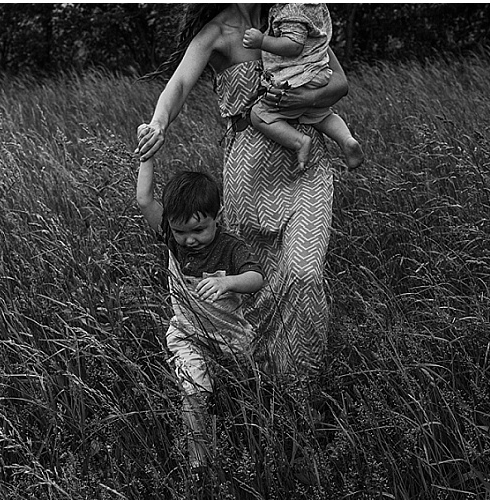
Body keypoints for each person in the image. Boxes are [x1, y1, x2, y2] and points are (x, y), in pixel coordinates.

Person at [136, 4, 350, 377]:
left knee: (303, 275)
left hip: (305, 164)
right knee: (258, 290)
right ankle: (268, 382)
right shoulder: (218, 33)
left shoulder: (293, 20)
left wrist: (302, 100)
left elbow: (340, 83)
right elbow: (179, 84)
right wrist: (158, 123)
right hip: (249, 175)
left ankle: (304, 384)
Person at [136, 153, 265, 470]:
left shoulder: (230, 247)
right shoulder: (173, 240)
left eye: (198, 230)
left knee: (246, 396)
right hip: (188, 334)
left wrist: (228, 282)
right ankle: (199, 463)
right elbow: (144, 200)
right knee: (194, 393)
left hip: (231, 339)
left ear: (217, 215)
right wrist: (147, 154)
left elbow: (256, 278)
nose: (189, 240)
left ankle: (252, 446)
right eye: (180, 232)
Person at [243, 3, 364, 171]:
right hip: (317, 72)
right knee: (322, 115)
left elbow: (294, 45)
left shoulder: (291, 10)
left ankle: (299, 141)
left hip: (297, 77)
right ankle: (347, 141)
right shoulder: (310, 7)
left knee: (259, 114)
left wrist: (262, 41)